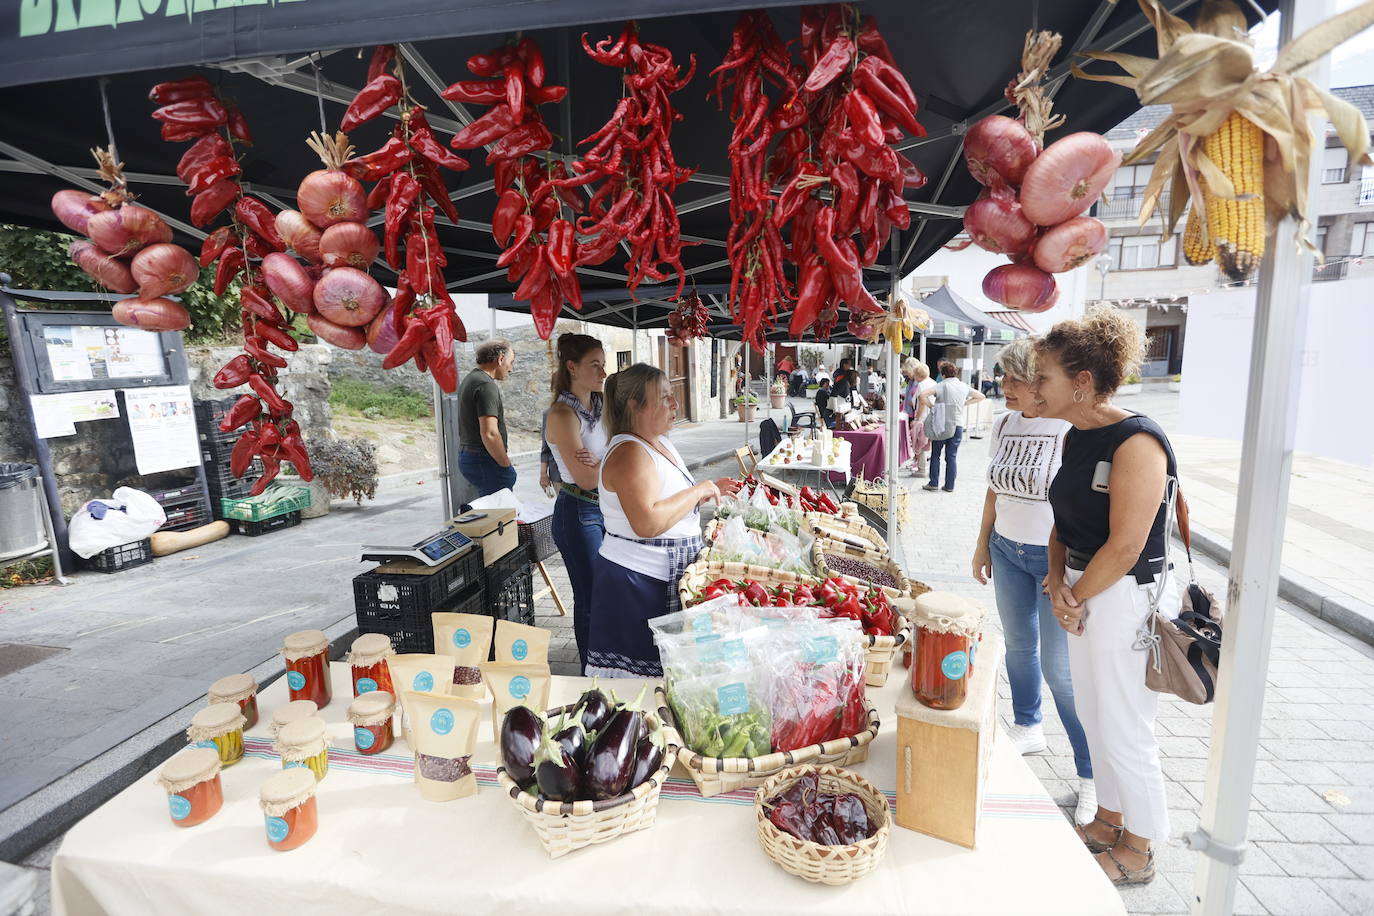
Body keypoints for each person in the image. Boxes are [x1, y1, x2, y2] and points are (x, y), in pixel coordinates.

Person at [1032, 306, 1178, 887]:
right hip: (1087, 589)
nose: (1036, 386)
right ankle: (1110, 818)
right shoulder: (1076, 436)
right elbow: (1062, 521)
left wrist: (1072, 595)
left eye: (1044, 376)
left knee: (1125, 721)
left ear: (1082, 383)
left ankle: (1141, 846)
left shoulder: (1137, 442)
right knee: (1095, 714)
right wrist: (1056, 580)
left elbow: (1126, 546)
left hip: (1125, 597)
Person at [970, 338, 1095, 827]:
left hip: (1051, 560)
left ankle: (1091, 774)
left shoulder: (1066, 428)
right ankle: (1028, 724)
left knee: (1061, 671)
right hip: (1007, 549)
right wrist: (982, 545)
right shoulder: (1004, 424)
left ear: (1038, 383)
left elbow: (1074, 506)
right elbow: (993, 490)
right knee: (1019, 649)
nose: (1004, 388)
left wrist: (1059, 567)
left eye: (1013, 379)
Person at [587, 365, 741, 678]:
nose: (675, 405)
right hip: (637, 585)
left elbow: (666, 500)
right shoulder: (629, 452)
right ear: (634, 406)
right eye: (664, 398)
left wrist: (704, 493)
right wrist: (700, 488)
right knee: (640, 683)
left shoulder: (657, 442)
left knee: (669, 672)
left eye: (672, 396)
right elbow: (647, 522)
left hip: (658, 578)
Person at [544, 334, 609, 674]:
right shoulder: (562, 414)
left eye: (603, 363)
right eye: (594, 365)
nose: (603, 371)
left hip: (602, 508)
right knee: (591, 598)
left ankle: (603, 664)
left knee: (602, 595)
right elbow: (584, 479)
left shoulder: (600, 407)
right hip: (578, 510)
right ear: (572, 367)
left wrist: (601, 464)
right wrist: (603, 467)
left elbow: (619, 453)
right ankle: (589, 674)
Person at [456, 339, 516, 497]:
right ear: (500, 359)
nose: (510, 369)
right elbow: (489, 433)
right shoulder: (485, 385)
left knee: (489, 511)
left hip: (472, 455)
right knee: (498, 514)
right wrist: (505, 464)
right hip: (483, 458)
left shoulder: (472, 378)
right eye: (511, 362)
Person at [921, 360, 985, 492]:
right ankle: (949, 486)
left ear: (943, 374)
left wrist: (932, 407)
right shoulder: (963, 386)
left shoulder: (941, 385)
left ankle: (933, 483)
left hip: (941, 424)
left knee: (936, 455)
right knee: (952, 456)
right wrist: (965, 403)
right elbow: (981, 396)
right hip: (958, 425)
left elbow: (922, 395)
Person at [900, 358, 936, 477]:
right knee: (924, 444)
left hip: (922, 418)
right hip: (929, 417)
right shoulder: (932, 382)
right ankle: (921, 467)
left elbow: (921, 404)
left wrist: (916, 419)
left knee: (920, 443)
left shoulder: (921, 385)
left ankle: (921, 469)